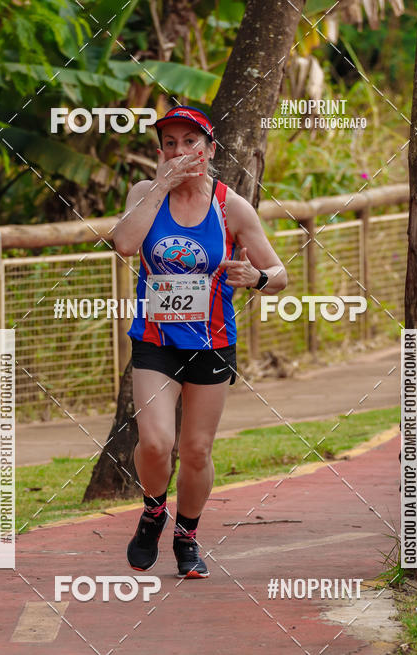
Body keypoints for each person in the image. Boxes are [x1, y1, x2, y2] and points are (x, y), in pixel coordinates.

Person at [112, 105, 287, 578]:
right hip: (154, 339)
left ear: (209, 151)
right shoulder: (145, 193)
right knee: (154, 442)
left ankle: (187, 535)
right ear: (160, 151)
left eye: (190, 142)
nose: (179, 150)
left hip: (212, 342)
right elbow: (125, 244)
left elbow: (280, 274)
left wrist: (255, 278)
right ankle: (152, 512)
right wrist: (162, 187)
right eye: (169, 142)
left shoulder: (230, 205)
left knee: (196, 451)